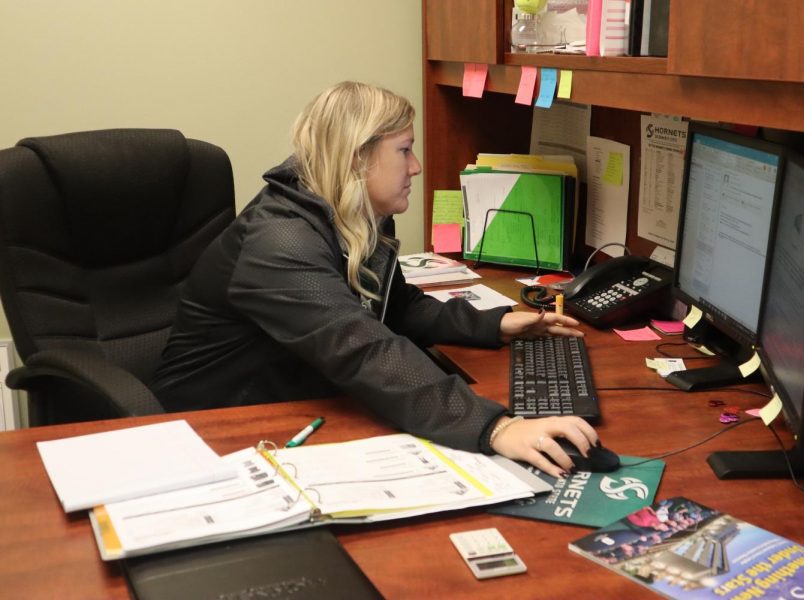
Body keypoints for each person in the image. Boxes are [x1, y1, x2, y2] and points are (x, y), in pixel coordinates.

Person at [152, 81, 597, 477]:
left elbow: (395, 307)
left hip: (299, 395)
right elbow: (362, 348)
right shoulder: (280, 242)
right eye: (405, 149)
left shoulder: (358, 215)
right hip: (216, 429)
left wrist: (491, 325)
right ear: (358, 157)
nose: (417, 166)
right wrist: (496, 427)